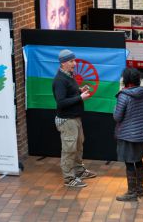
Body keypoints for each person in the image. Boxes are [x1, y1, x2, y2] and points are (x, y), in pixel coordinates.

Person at [52, 49, 97, 187]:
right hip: (67, 121)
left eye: (74, 60)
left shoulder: (69, 75)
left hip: (75, 118)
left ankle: (78, 170)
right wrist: (80, 97)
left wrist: (79, 90)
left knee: (78, 146)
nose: (75, 63)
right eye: (71, 61)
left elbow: (69, 93)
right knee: (69, 149)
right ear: (63, 63)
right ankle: (69, 179)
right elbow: (61, 102)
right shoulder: (60, 80)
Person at [114, 68, 143, 202]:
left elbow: (117, 117)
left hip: (127, 134)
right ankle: (140, 189)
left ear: (126, 80)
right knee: (138, 159)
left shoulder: (123, 95)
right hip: (141, 133)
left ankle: (131, 193)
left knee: (129, 162)